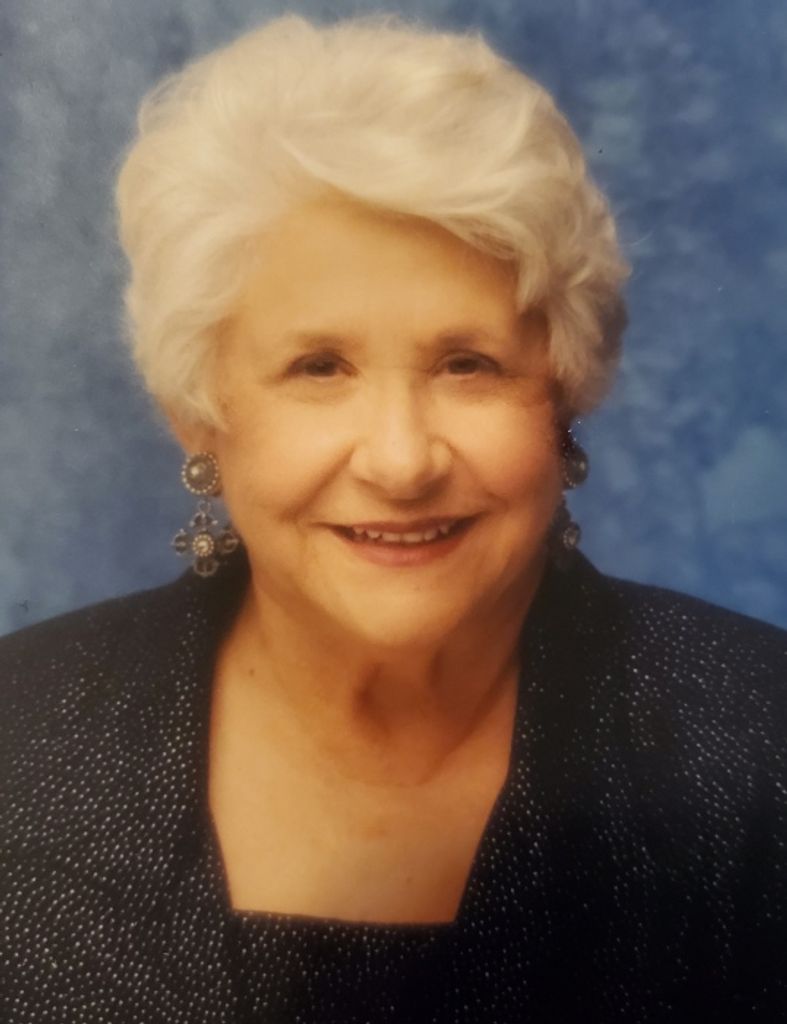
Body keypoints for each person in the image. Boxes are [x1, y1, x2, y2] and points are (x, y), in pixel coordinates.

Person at [1, 13, 785, 1024]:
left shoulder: (759, 742)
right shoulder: (20, 734)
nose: (403, 461)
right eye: (318, 367)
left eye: (468, 364)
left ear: (563, 391)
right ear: (199, 410)